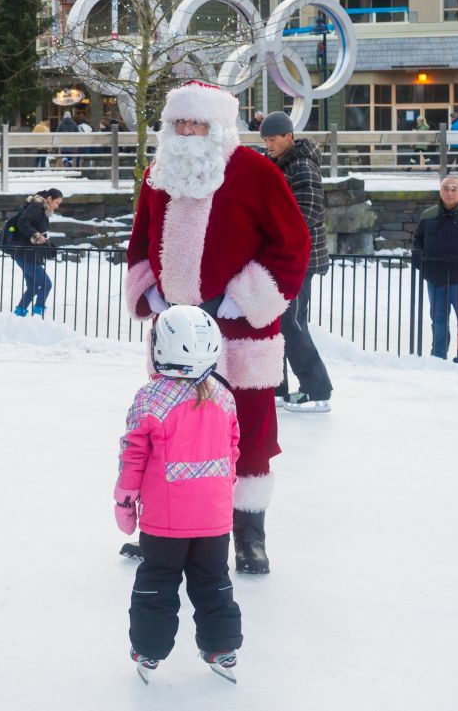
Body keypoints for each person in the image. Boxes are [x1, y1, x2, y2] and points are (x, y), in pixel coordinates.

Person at [125, 81, 311, 574]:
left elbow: (293, 244)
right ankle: (163, 526)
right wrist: (151, 292)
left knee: (248, 432)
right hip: (176, 334)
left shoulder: (255, 172)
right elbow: (140, 240)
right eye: (180, 123)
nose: (187, 132)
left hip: (239, 332)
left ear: (220, 127)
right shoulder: (157, 174)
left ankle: (249, 534)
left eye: (197, 123)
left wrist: (240, 298)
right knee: (168, 432)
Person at [115, 305, 242, 684]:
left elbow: (132, 455)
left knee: (157, 580)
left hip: (164, 523)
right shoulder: (224, 397)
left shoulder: (150, 398)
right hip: (214, 521)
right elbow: (233, 450)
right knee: (213, 580)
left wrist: (125, 501)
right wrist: (223, 495)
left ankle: (149, 650)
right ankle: (222, 646)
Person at [260, 112, 332, 413]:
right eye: (264, 140)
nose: (268, 145)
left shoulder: (301, 164)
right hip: (283, 258)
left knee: (292, 323)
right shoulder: (279, 163)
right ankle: (277, 387)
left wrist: (278, 238)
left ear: (289, 136)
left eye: (273, 139)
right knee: (276, 323)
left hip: (299, 259)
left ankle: (317, 390)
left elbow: (310, 210)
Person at [411, 175, 458, 360]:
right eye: (445, 188)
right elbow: (418, 241)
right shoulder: (427, 215)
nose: (449, 192)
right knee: (438, 320)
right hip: (434, 278)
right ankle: (438, 354)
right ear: (440, 191)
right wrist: (421, 263)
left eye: (454, 189)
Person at [2, 188, 62, 318]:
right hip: (26, 253)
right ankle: (37, 315)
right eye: (57, 202)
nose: (57, 207)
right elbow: (22, 222)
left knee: (33, 287)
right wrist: (36, 236)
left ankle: (19, 314)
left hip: (29, 254)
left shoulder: (42, 210)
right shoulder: (36, 207)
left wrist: (45, 242)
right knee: (46, 284)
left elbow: (40, 231)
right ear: (49, 198)